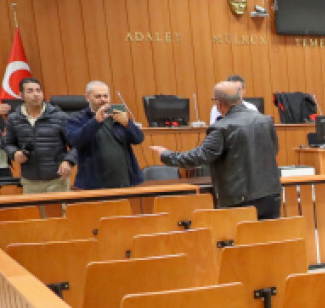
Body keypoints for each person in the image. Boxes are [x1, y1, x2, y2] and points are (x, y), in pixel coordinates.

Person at [151, 80, 282, 219]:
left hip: (239, 199)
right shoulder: (265, 121)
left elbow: (199, 156)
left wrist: (166, 155)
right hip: (271, 195)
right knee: (268, 233)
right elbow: (273, 150)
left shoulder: (221, 127)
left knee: (239, 233)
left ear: (218, 103)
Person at [66, 81, 145, 190]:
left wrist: (128, 124)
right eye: (98, 96)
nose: (103, 99)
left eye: (105, 96)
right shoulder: (77, 118)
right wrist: (95, 122)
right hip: (94, 184)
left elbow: (138, 139)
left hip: (124, 181)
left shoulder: (117, 115)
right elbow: (75, 141)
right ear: (87, 97)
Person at [2, 78, 75, 194]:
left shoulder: (60, 117)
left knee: (58, 207)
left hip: (57, 179)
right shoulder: (14, 119)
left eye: (38, 90)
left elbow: (77, 145)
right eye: (30, 91)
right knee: (33, 207)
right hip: (30, 180)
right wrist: (14, 153)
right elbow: (8, 143)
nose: (36, 94)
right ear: (21, 95)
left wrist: (68, 161)